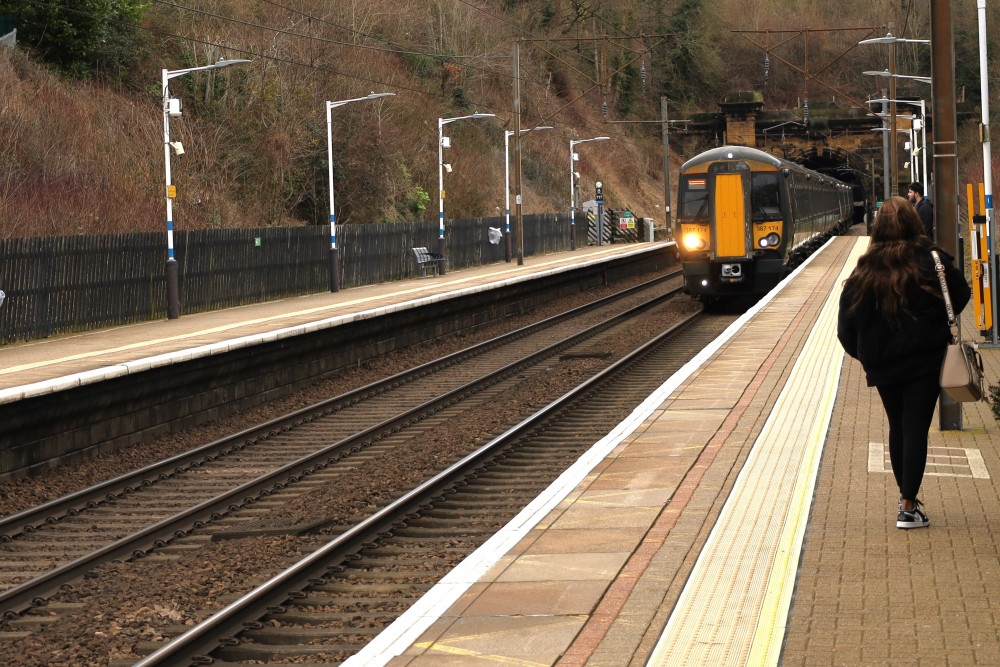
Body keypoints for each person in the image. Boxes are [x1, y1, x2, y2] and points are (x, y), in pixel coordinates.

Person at [837, 196, 970, 530]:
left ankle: (905, 501)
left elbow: (845, 327)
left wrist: (867, 356)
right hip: (926, 361)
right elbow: (962, 294)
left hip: (883, 365)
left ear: (877, 226)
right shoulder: (933, 260)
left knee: (897, 426)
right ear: (915, 223)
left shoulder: (864, 268)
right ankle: (908, 506)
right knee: (915, 428)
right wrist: (938, 325)